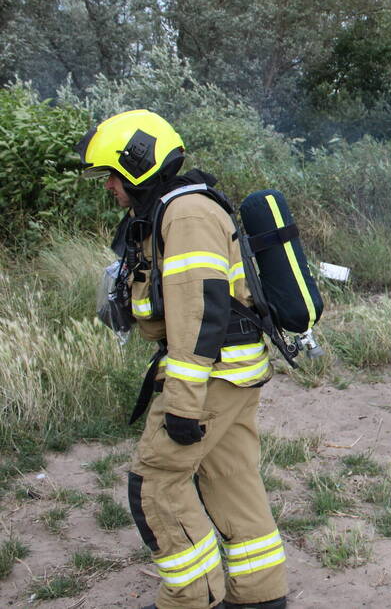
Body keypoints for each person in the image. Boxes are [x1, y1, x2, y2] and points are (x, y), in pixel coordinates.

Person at [77, 110, 287, 609]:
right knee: (230, 478)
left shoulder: (187, 215)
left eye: (112, 174)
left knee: (155, 485)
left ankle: (192, 597)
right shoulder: (169, 211)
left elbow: (200, 316)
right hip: (232, 373)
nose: (108, 186)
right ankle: (260, 594)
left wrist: (182, 404)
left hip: (210, 376)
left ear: (137, 165)